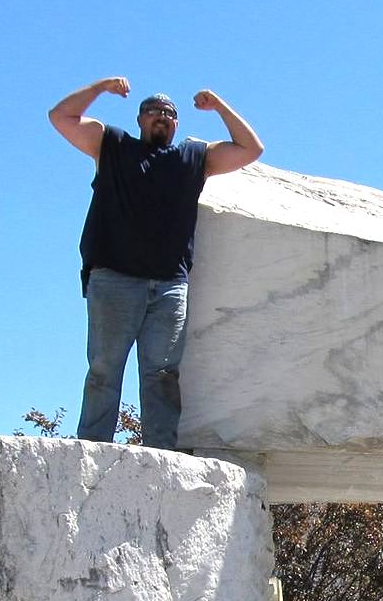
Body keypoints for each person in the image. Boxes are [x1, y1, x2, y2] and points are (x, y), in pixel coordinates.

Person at [47, 79, 262, 449]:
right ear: (139, 119)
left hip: (169, 284)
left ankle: (161, 452)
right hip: (114, 277)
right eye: (153, 112)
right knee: (103, 370)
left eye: (169, 114)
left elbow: (250, 149)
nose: (162, 117)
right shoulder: (111, 145)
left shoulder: (192, 157)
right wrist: (102, 87)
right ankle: (94, 447)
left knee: (162, 373)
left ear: (176, 124)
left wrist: (220, 106)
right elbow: (61, 116)